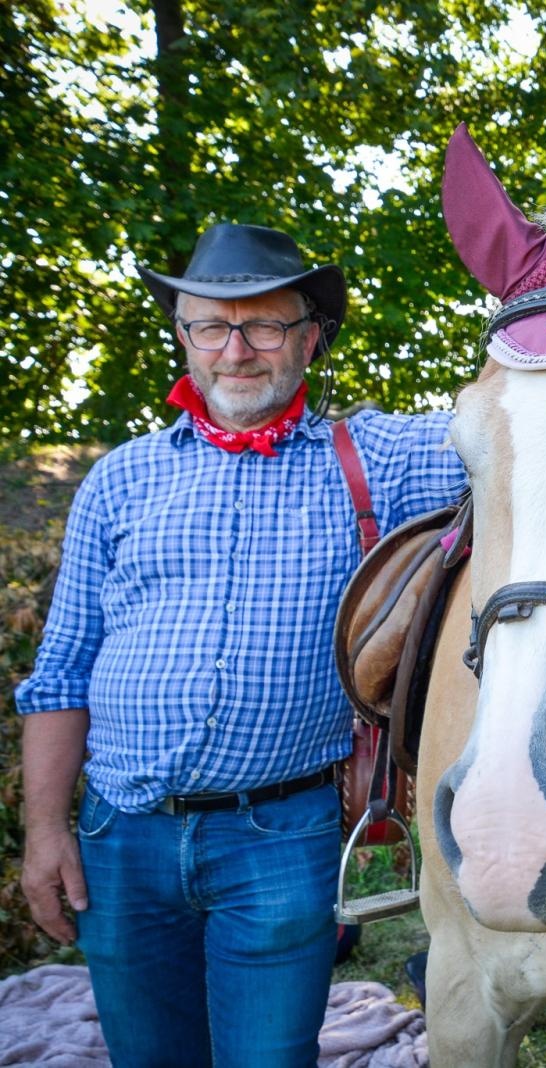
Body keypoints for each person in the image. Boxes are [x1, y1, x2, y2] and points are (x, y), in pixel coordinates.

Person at [17, 222, 464, 1067]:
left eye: (264, 325)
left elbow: (514, 420)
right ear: (184, 335)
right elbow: (62, 674)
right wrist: (47, 831)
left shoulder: (380, 458)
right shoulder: (122, 478)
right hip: (122, 835)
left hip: (279, 834)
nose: (236, 350)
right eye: (210, 326)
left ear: (310, 338)